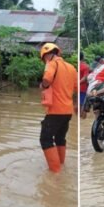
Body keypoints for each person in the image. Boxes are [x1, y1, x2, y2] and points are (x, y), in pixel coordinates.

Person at [39, 43, 77, 173]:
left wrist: (43, 86)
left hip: (55, 110)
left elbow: (47, 79)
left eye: (44, 59)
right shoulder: (71, 67)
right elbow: (76, 89)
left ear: (46, 55)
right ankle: (61, 165)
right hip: (67, 111)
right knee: (60, 138)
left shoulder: (51, 63)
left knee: (45, 139)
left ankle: (55, 173)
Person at [79, 52, 90, 119]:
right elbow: (85, 77)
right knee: (83, 106)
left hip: (77, 89)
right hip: (83, 89)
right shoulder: (85, 66)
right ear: (83, 57)